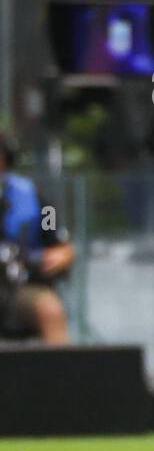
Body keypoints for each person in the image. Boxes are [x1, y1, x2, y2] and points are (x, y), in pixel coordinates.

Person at [0, 132, 76, 344]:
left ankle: (63, 374)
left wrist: (63, 254)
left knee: (50, 310)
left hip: (21, 286)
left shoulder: (32, 196)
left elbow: (60, 245)